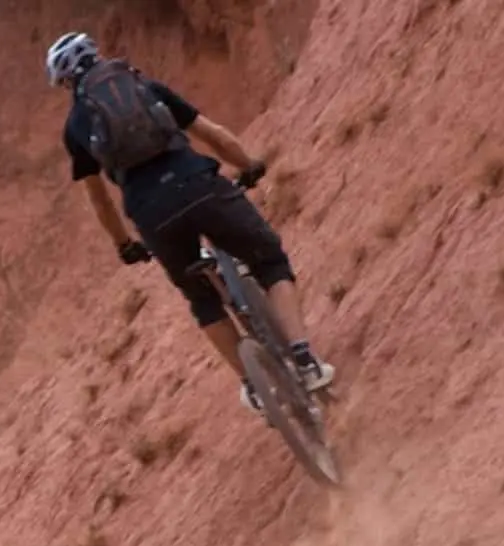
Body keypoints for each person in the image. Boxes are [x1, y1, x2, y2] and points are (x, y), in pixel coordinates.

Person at [46, 31, 334, 414]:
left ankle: (255, 386)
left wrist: (124, 244)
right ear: (97, 56)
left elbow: (98, 198)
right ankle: (304, 360)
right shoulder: (144, 85)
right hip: (198, 184)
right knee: (270, 261)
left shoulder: (75, 127)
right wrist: (248, 164)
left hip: (151, 214)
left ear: (66, 81)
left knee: (202, 301)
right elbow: (210, 133)